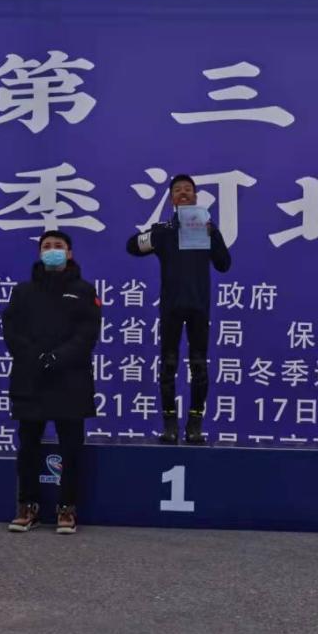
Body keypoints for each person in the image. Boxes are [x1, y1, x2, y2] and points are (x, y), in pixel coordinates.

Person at [2, 230, 101, 534]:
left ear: (69, 253)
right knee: (28, 446)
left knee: (71, 447)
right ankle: (27, 506)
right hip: (31, 378)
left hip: (70, 379)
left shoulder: (84, 290)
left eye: (59, 246)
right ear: (40, 253)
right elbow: (12, 330)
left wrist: (58, 357)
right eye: (47, 246)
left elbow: (87, 334)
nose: (53, 250)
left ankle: (67, 508)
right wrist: (36, 357)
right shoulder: (23, 292)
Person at [125, 174, 232, 445]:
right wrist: (157, 234)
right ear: (172, 199)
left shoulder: (207, 229)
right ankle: (170, 425)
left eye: (188, 189)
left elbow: (224, 264)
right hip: (171, 308)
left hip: (199, 308)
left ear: (195, 197)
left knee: (199, 367)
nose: (183, 193)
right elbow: (132, 246)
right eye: (177, 190)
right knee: (168, 366)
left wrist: (213, 233)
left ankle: (195, 425)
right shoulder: (164, 231)